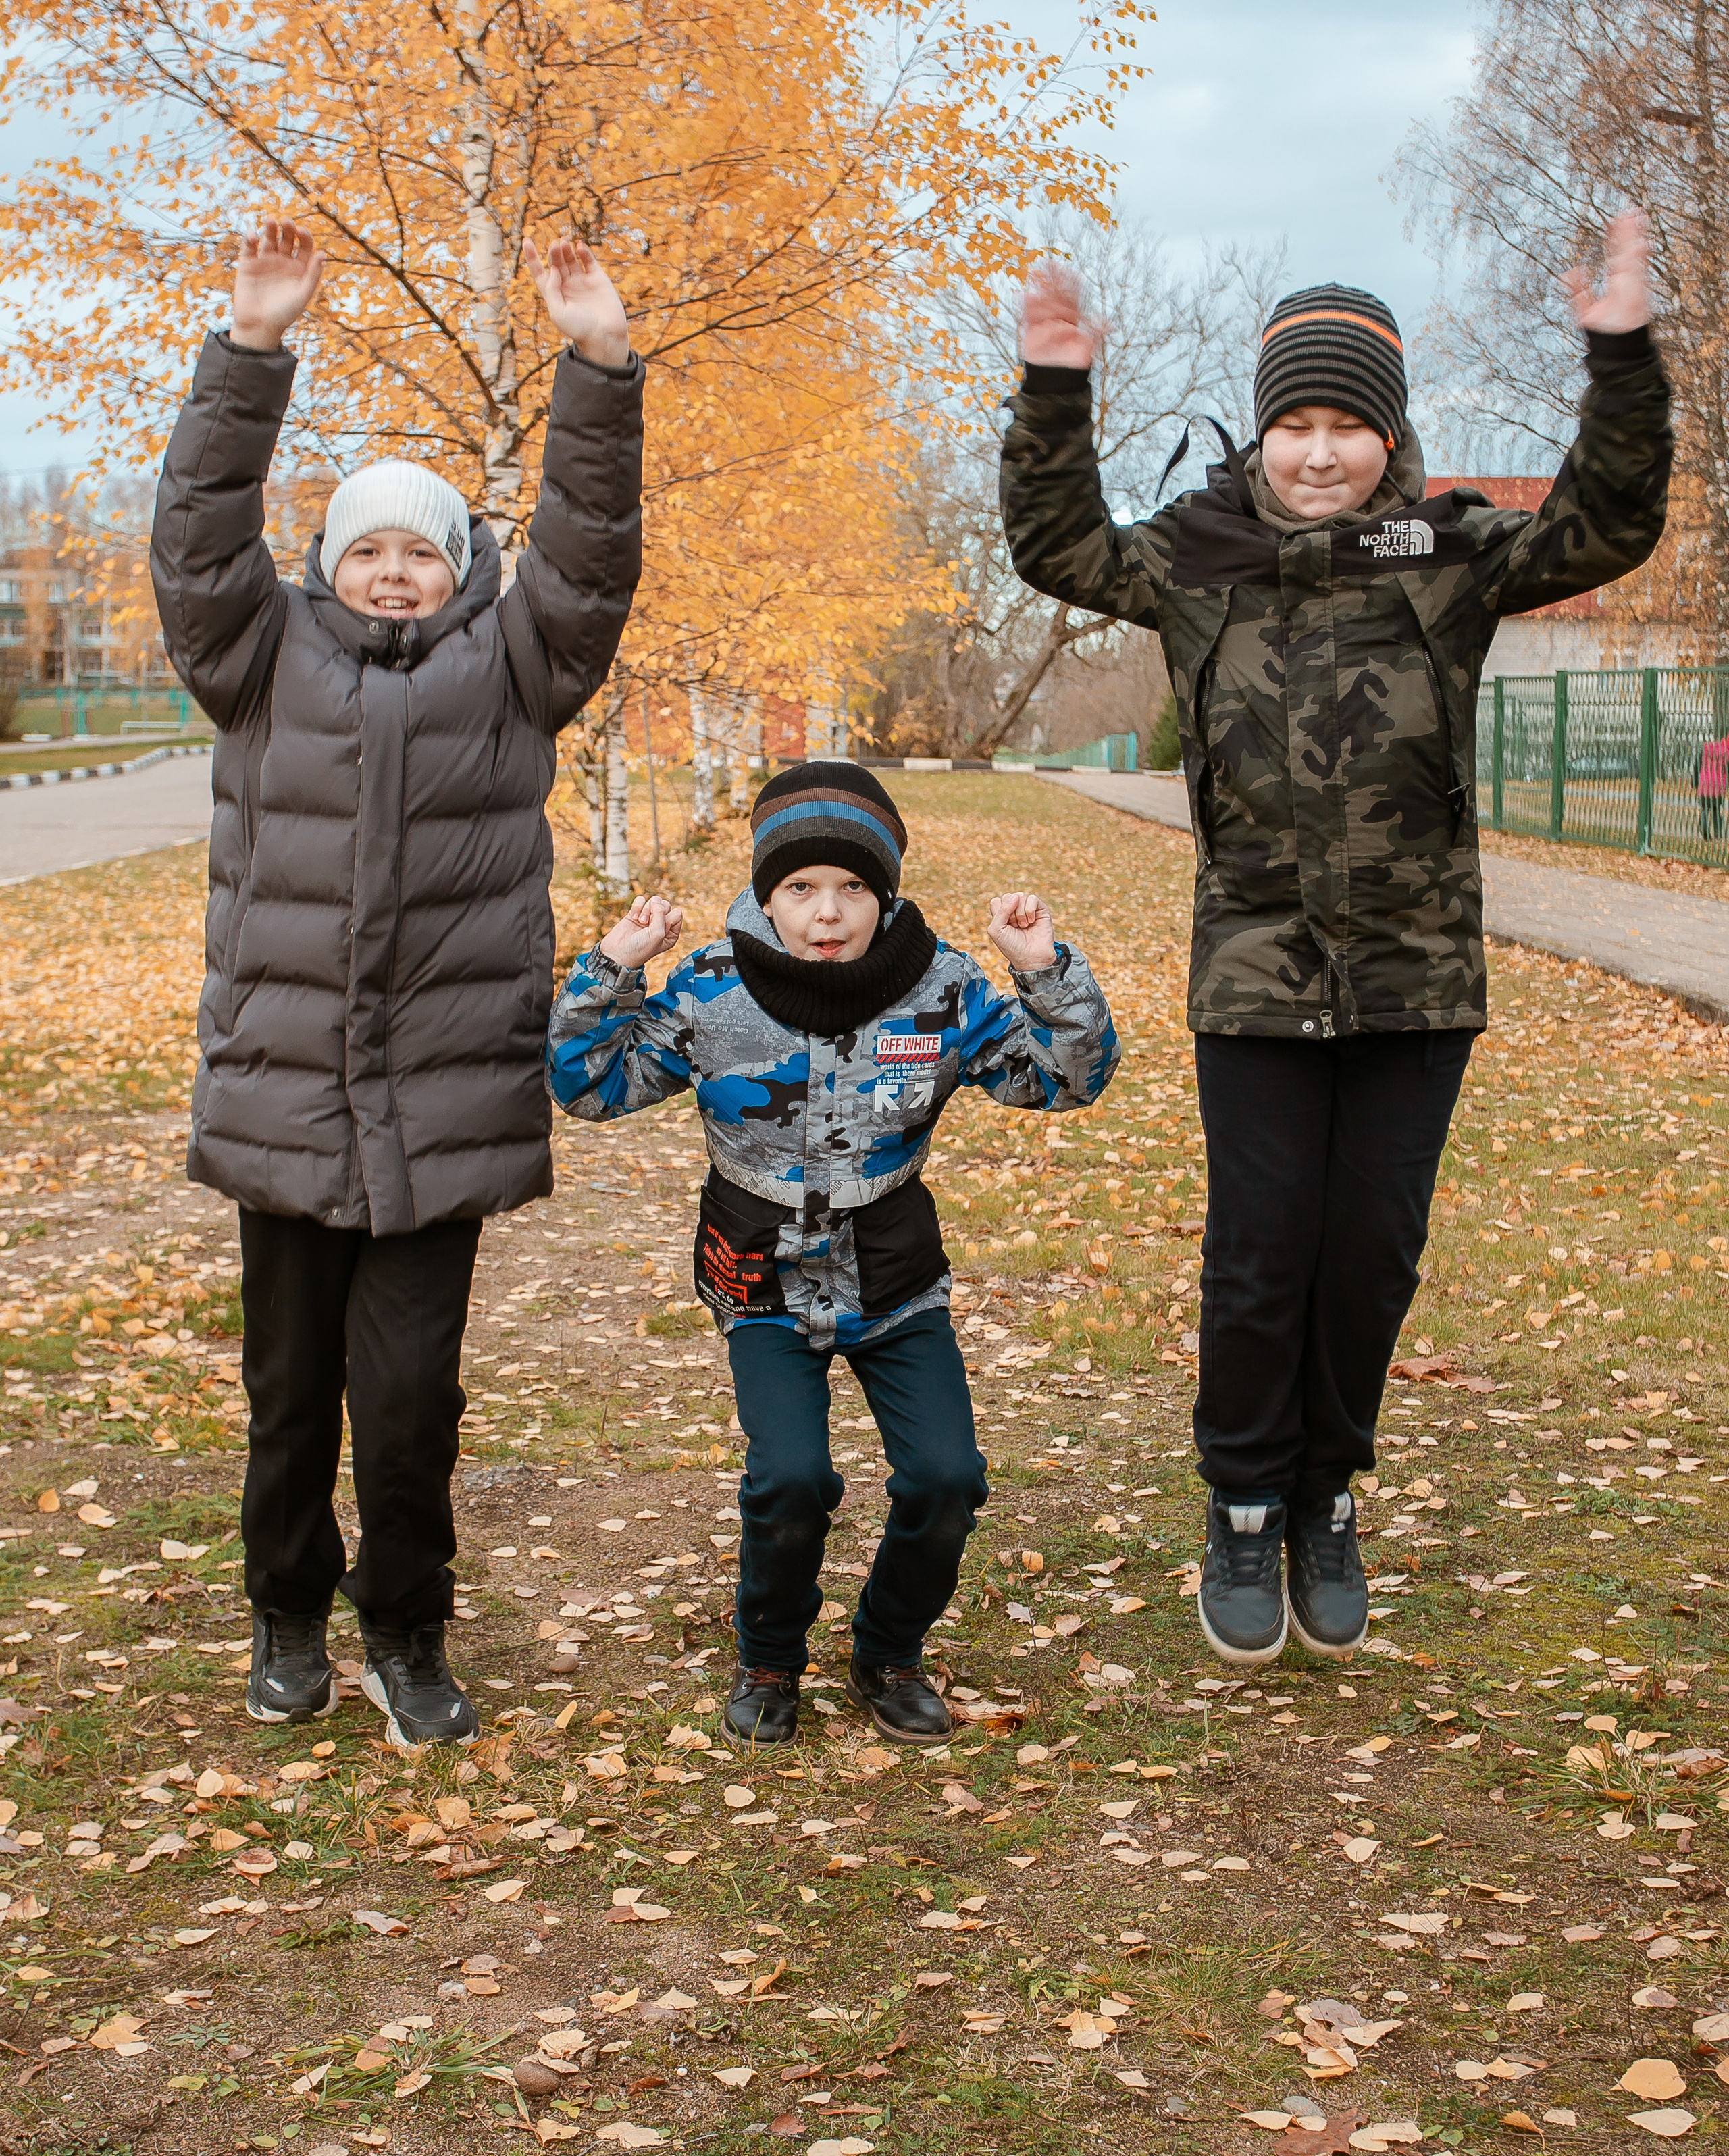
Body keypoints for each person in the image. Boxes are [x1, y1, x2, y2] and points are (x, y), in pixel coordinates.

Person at [1000, 213, 1670, 1666]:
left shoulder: (1443, 554)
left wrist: (1616, 361)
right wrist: (1054, 392)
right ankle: (1242, 1502)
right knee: (1259, 1257)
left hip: (1414, 980)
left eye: (1344, 427)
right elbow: (1052, 543)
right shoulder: (1196, 556)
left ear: (1388, 435)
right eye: (1293, 425)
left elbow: (1605, 526)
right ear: (1260, 435)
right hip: (1251, 975)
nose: (1317, 455)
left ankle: (1323, 1496)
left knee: (1366, 1257)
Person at [150, 217, 644, 1747]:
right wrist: (251, 350)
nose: (388, 566)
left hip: (443, 1110)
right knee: (289, 1404)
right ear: (324, 565)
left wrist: (600, 369)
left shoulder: (514, 671)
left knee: (410, 1411)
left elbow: (586, 549)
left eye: (417, 545)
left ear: (460, 567)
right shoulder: (255, 658)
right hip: (288, 1102)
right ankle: (286, 1618)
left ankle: (407, 1635)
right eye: (364, 544)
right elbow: (194, 538)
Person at [545, 763, 1119, 1747]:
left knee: (947, 1477)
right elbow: (587, 1086)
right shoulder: (714, 989)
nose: (828, 913)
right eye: (802, 888)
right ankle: (769, 1658)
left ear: (884, 894)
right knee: (792, 1479)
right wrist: (612, 963)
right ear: (768, 896)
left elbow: (1065, 1081)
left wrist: (1042, 966)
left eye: (854, 888)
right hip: (761, 1276)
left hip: (893, 1274)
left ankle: (888, 1652)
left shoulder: (940, 988)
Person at [1695, 729, 1728, 841]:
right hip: (1718, 786)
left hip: (1705, 784)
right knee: (1716, 810)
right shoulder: (1726, 754)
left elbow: (1697, 767)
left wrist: (1694, 782)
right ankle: (1718, 833)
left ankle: (1705, 832)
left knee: (1704, 809)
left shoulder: (1705, 750)